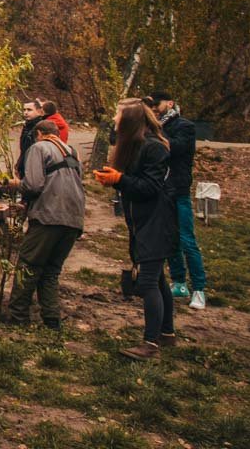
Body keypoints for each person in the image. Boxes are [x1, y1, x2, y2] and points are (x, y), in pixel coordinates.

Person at [94, 98, 177, 360]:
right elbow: (137, 185)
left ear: (129, 119)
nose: (114, 119)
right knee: (159, 279)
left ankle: (150, 344)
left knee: (147, 282)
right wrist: (116, 180)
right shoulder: (135, 146)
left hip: (156, 223)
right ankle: (167, 334)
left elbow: (150, 188)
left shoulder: (153, 148)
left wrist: (120, 179)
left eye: (118, 115)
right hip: (143, 222)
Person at [6, 119, 86, 329]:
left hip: (49, 217)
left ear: (39, 134)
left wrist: (16, 185)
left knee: (28, 265)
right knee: (51, 270)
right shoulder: (72, 152)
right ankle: (52, 320)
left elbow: (33, 184)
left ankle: (18, 317)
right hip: (74, 219)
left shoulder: (39, 148)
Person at [146, 91, 207, 310]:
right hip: (161, 191)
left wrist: (154, 132)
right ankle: (179, 281)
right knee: (168, 239)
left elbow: (175, 148)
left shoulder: (185, 126)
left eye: (156, 103)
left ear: (170, 103)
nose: (153, 107)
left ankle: (199, 288)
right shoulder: (153, 126)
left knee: (187, 240)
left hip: (178, 190)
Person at [16, 101, 43, 179]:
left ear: (38, 111)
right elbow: (24, 149)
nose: (26, 112)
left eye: (29, 110)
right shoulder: (27, 126)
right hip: (25, 165)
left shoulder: (40, 127)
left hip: (33, 167)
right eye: (24, 110)